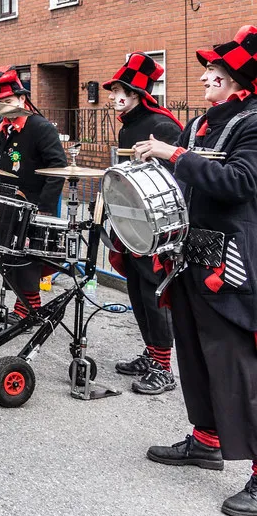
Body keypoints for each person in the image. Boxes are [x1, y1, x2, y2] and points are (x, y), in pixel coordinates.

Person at [134, 25, 257, 516]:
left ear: (239, 83)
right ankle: (206, 441)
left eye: (216, 73)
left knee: (236, 364)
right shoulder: (204, 123)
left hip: (231, 258)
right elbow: (180, 177)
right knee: (196, 353)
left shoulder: (252, 121)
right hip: (190, 251)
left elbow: (241, 182)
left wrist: (175, 155)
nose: (206, 77)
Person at [103, 52, 182, 396]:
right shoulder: (129, 125)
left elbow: (175, 181)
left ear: (135, 93)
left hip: (157, 226)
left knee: (154, 292)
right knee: (136, 288)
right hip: (130, 220)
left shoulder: (163, 125)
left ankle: (164, 367)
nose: (111, 96)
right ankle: (151, 353)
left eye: (118, 90)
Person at [0, 67, 66, 322]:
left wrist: (43, 211)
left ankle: (28, 310)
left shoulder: (40, 127)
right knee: (4, 258)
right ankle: (25, 308)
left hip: (31, 206)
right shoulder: (3, 128)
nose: (5, 107)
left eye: (9, 101)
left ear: (22, 100)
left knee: (25, 262)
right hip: (6, 202)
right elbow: (4, 163)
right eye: (1, 103)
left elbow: (57, 169)